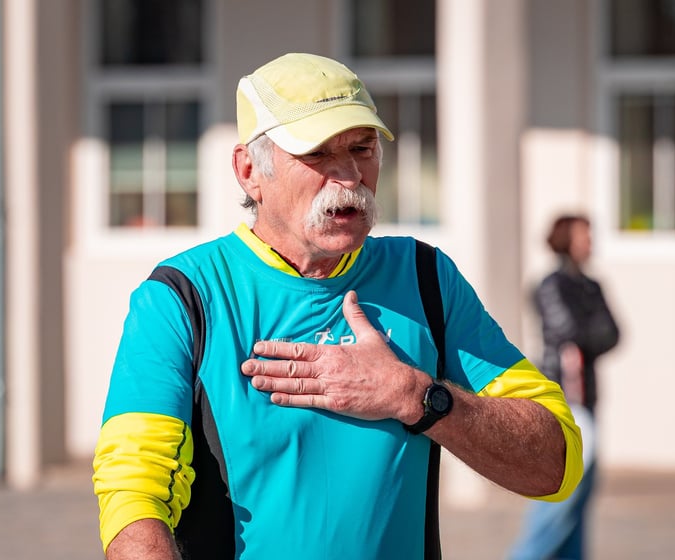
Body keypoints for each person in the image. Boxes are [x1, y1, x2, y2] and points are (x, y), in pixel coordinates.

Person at [93, 52, 583, 560]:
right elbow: (133, 499)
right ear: (248, 171)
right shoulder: (182, 297)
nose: (349, 176)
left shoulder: (426, 277)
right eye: (319, 154)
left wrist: (415, 395)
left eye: (362, 147)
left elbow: (556, 465)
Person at [508, 214, 620, 560]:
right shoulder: (551, 285)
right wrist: (588, 332)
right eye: (584, 235)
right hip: (563, 403)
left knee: (582, 498)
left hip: (589, 400)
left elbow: (611, 334)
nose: (590, 242)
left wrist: (587, 334)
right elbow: (568, 330)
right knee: (559, 498)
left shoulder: (591, 285)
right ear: (566, 239)